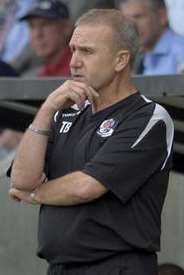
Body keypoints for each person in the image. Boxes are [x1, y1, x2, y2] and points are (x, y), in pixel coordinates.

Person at [9, 9, 174, 275]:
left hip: (117, 266)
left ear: (121, 60)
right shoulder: (64, 112)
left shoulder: (148, 117)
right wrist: (46, 110)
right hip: (59, 267)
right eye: (73, 50)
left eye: (86, 51)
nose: (74, 61)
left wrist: (34, 195)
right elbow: (21, 179)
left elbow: (86, 187)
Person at [117, 0, 184, 75]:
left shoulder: (181, 53)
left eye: (138, 17)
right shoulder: (135, 57)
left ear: (162, 15)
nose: (131, 26)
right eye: (126, 20)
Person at [19, 0, 72, 77]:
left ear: (66, 28)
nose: (38, 34)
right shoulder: (38, 74)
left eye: (45, 24)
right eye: (32, 26)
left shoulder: (78, 70)